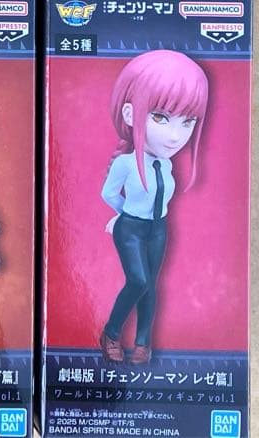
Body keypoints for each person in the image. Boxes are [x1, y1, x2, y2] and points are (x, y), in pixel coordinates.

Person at [99, 50, 208, 365]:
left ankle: (143, 343)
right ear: (130, 114)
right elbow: (108, 193)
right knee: (139, 280)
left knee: (151, 286)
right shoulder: (126, 163)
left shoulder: (166, 164)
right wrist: (122, 213)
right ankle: (111, 332)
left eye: (188, 121)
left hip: (158, 229)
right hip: (131, 228)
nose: (175, 136)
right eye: (160, 117)